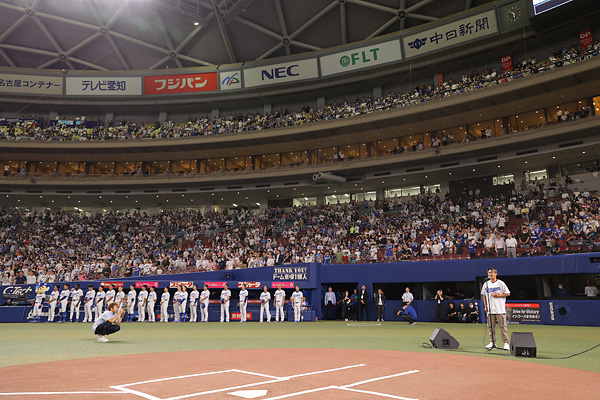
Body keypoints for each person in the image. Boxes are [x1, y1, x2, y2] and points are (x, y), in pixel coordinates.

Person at [482, 267, 511, 350]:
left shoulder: (501, 283)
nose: (490, 274)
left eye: (491, 273)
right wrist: (485, 306)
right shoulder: (486, 284)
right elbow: (484, 295)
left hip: (500, 309)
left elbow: (508, 293)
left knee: (503, 327)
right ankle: (492, 342)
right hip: (490, 309)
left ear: (495, 274)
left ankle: (506, 343)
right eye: (488, 273)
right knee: (491, 327)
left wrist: (499, 295)